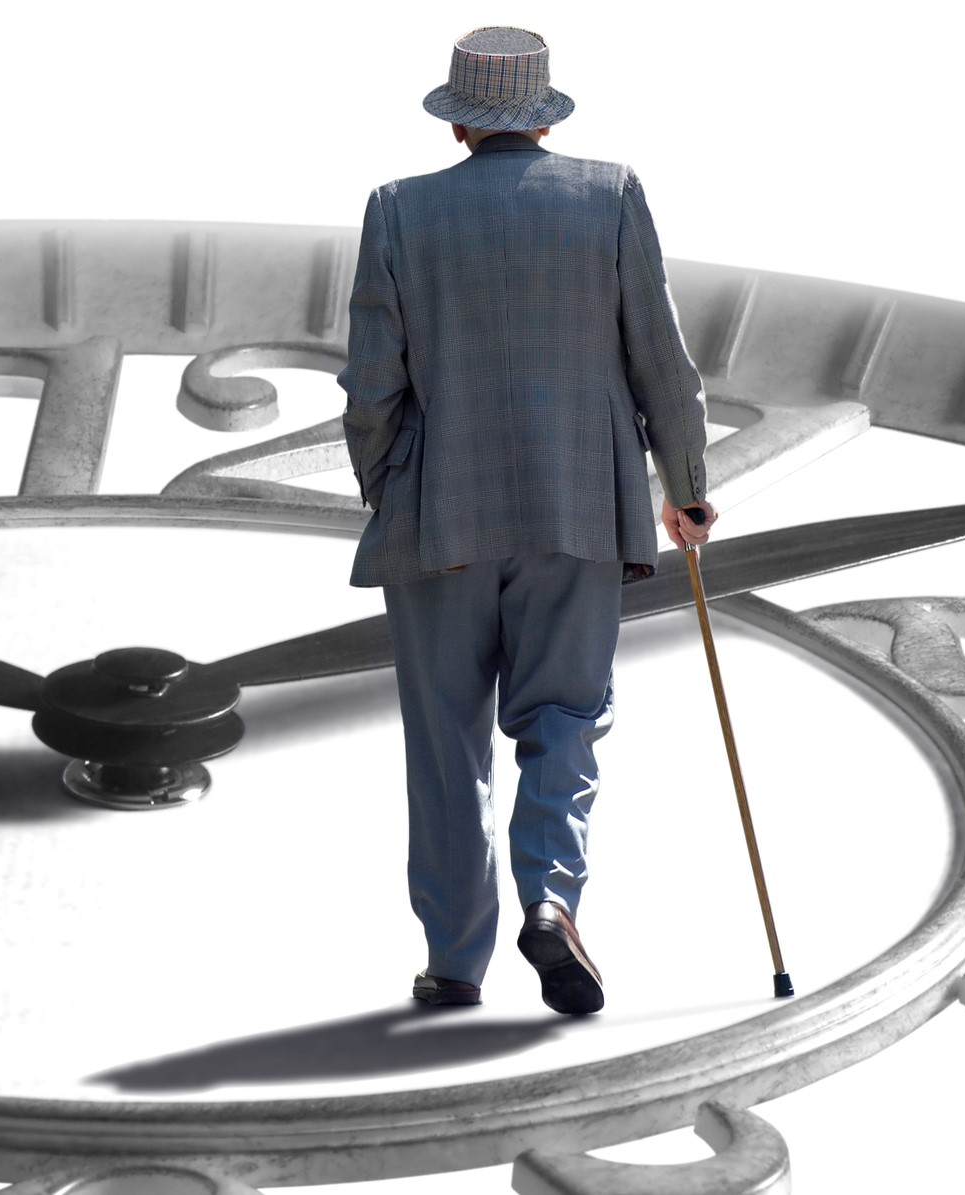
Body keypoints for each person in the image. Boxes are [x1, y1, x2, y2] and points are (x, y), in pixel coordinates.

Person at [339, 25, 718, 1015]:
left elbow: (371, 382)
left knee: (445, 743)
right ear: (542, 115)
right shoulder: (610, 195)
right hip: (579, 510)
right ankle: (551, 903)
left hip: (439, 517)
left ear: (458, 118)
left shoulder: (398, 211)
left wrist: (388, 487)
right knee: (564, 720)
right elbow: (662, 363)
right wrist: (685, 485)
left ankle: (454, 962)